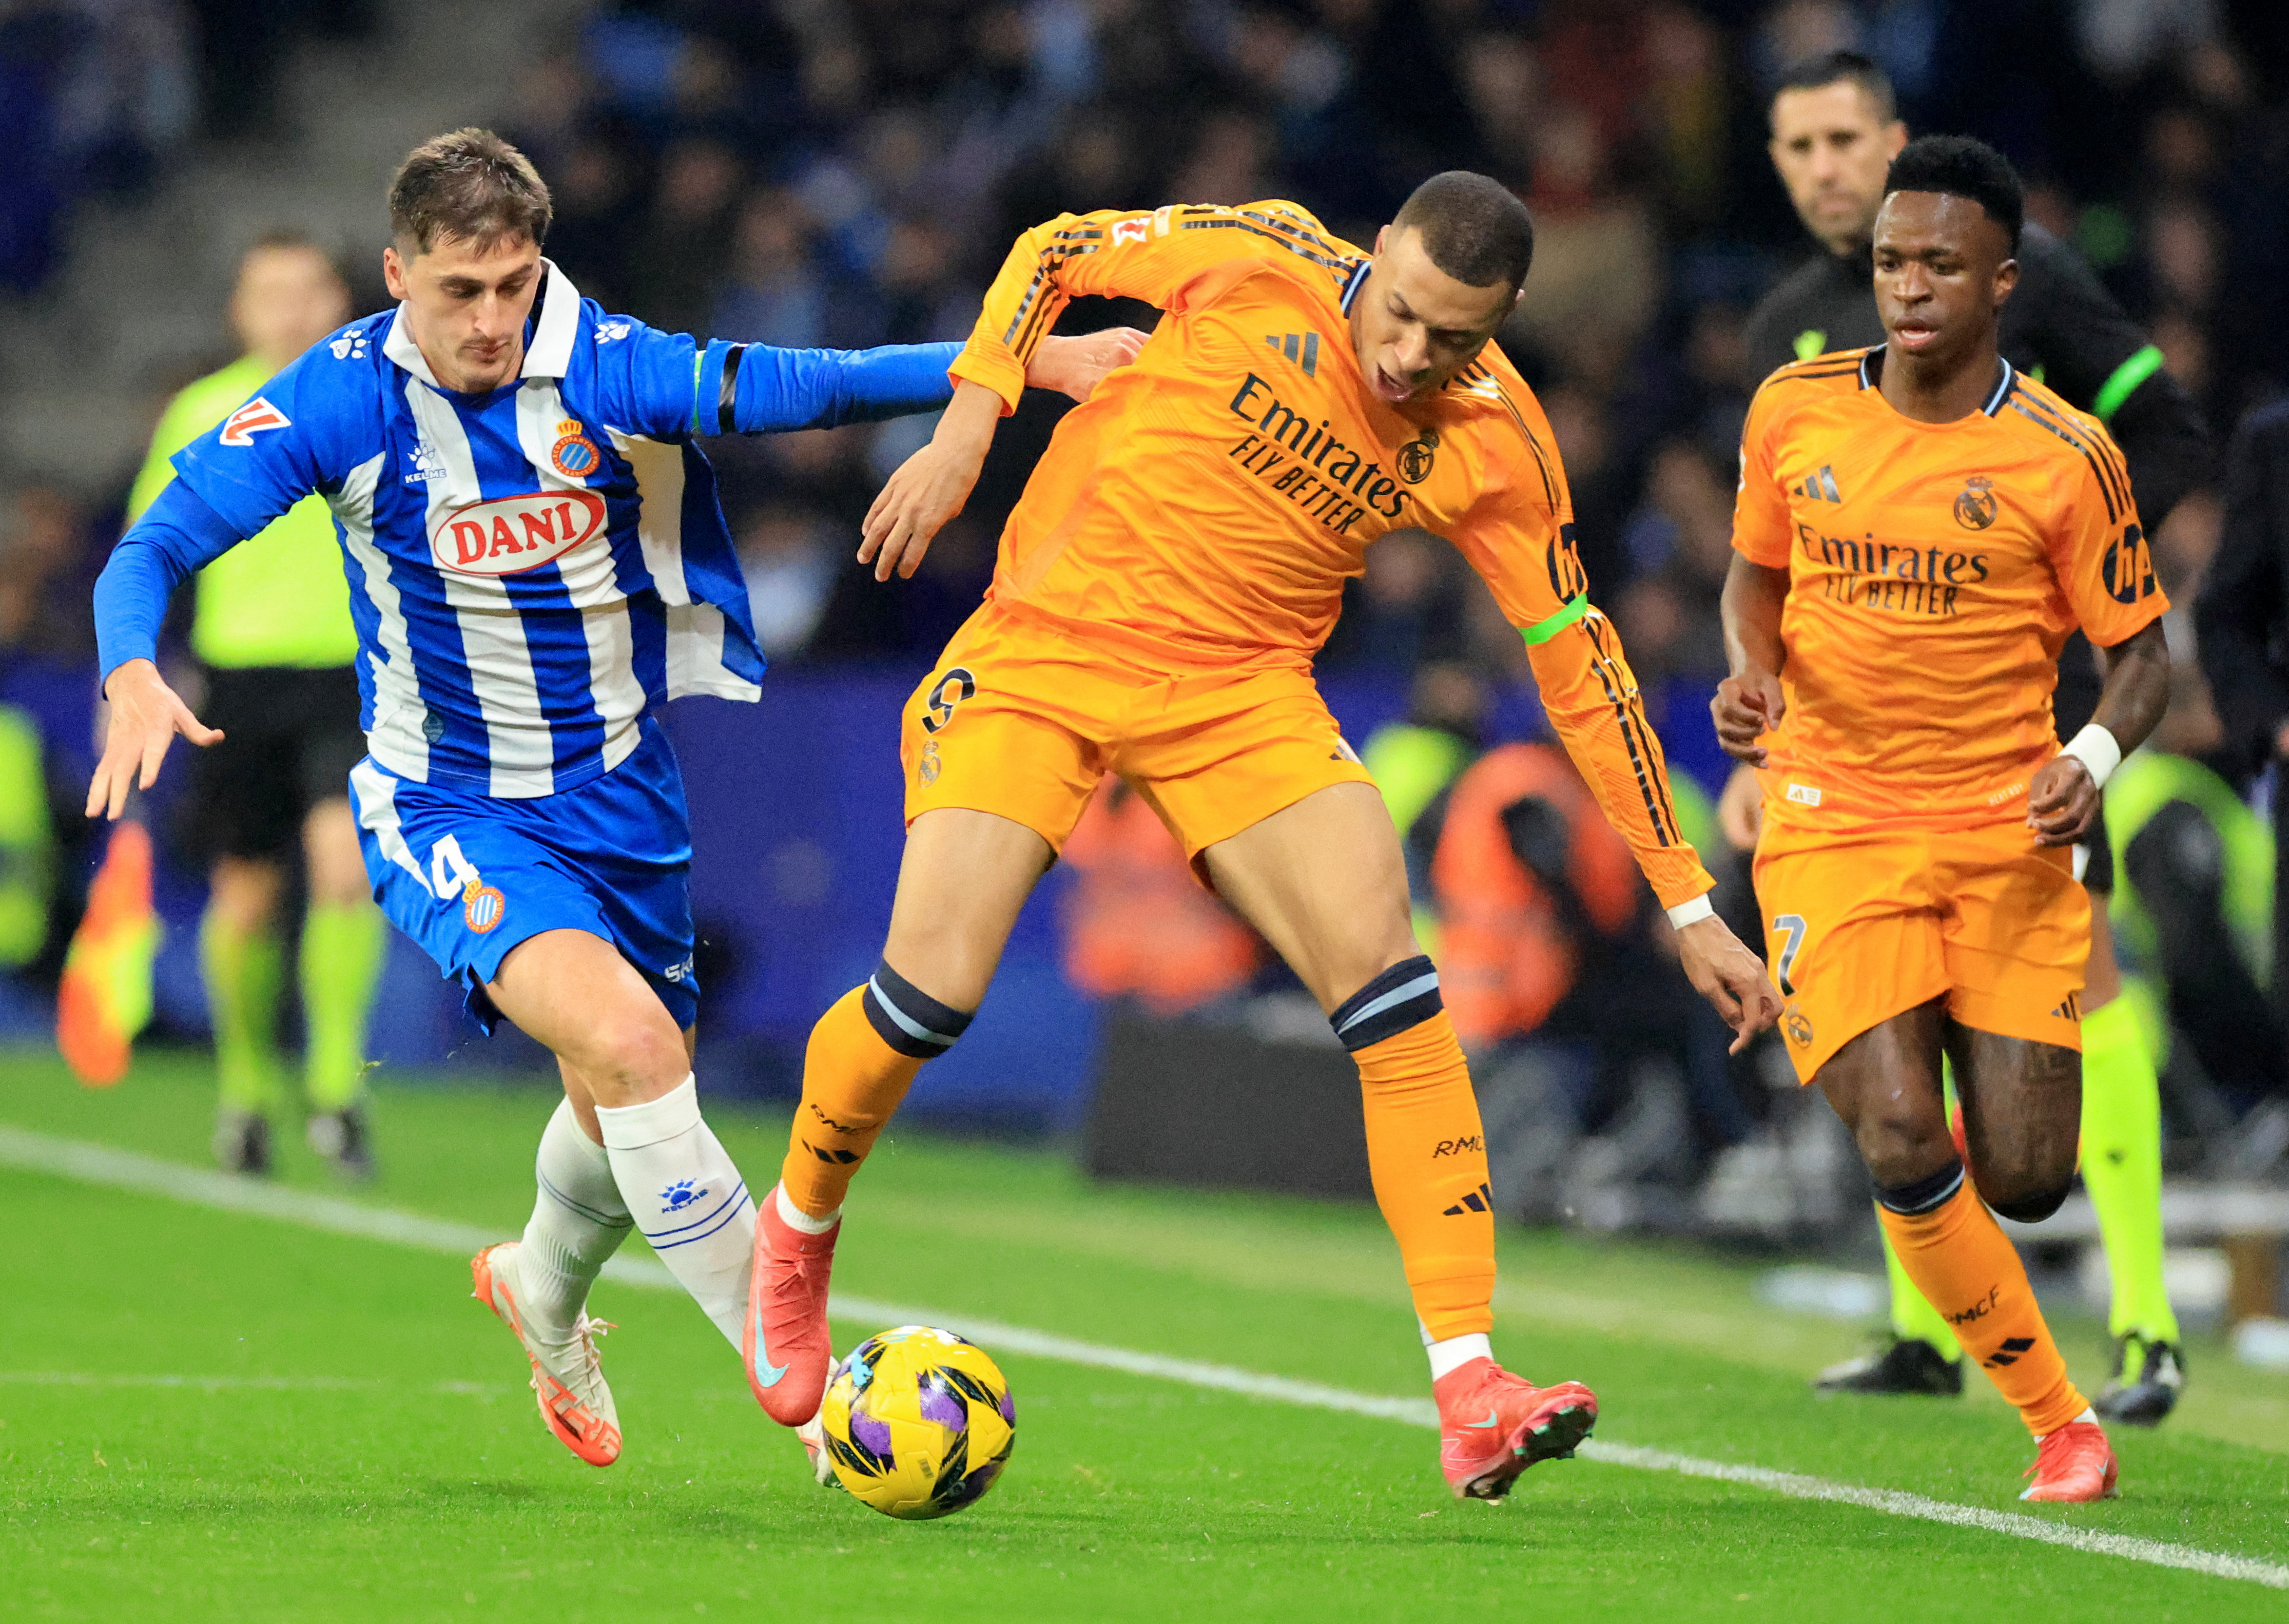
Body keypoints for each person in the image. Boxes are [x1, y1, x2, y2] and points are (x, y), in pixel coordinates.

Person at [84, 128, 1134, 1473]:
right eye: (458, 291)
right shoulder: (337, 399)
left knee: (617, 1091)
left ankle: (541, 1288)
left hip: (626, 798)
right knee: (636, 1052)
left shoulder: (601, 359)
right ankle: (813, 1402)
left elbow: (796, 384)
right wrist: (126, 660)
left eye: (513, 283)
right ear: (398, 274)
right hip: (445, 801)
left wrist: (1018, 363)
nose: (489, 319)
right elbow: (158, 539)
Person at [744, 173, 1781, 1502]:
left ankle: (1469, 1383)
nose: (1410, 353)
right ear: (1380, 252)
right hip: (1045, 650)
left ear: (1500, 322)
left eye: (1451, 338)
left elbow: (1580, 667)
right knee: (925, 996)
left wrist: (1687, 901)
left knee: (1399, 994)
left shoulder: (1495, 437)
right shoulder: (1260, 256)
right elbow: (1055, 247)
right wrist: (969, 420)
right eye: (1400, 312)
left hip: (1239, 692)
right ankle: (800, 1223)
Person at [1733, 51, 2206, 1421]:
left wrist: (2057, 600)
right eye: (1796, 144)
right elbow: (1769, 553)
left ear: (1891, 138)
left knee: (2076, 998)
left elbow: (2161, 430)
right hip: (1844, 748)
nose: (1821, 165)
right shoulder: (1788, 327)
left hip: (2030, 716)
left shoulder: (2028, 275)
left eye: (1842, 138)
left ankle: (2142, 1320)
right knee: (1889, 1036)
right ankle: (1924, 1325)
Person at [110, 235, 390, 1177]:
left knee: (346, 871)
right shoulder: (201, 408)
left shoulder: (372, 393)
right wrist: (147, 666)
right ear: (241, 309)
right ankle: (244, 1092)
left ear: (337, 299)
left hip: (354, 677)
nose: (290, 311)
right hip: (239, 684)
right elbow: (152, 548)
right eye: (269, 293)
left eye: (307, 291)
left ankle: (336, 1090)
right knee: (246, 899)